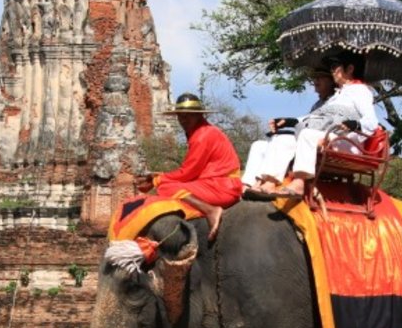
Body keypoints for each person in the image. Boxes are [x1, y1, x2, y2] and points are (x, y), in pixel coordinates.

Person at [136, 93, 242, 240]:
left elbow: (188, 173)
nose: (183, 120)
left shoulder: (202, 136)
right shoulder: (203, 132)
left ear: (198, 115)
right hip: (218, 184)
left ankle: (211, 211)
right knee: (166, 183)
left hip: (222, 187)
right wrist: (159, 175)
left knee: (166, 187)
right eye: (180, 116)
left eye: (188, 116)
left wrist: (156, 180)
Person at [279, 50, 381, 198]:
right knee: (280, 140)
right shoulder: (337, 94)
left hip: (347, 142)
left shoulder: (360, 90)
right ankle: (261, 182)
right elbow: (316, 117)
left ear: (350, 69)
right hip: (329, 136)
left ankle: (299, 181)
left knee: (307, 135)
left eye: (335, 66)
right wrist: (290, 121)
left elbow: (371, 122)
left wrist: (355, 124)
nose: (332, 71)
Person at [241, 67, 336, 194]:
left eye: (321, 77)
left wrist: (294, 124)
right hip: (303, 138)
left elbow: (321, 124)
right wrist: (287, 122)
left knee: (284, 139)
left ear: (331, 81)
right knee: (258, 145)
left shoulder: (336, 102)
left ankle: (270, 183)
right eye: (315, 78)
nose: (316, 81)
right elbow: (305, 120)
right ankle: (248, 183)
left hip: (317, 141)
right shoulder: (318, 104)